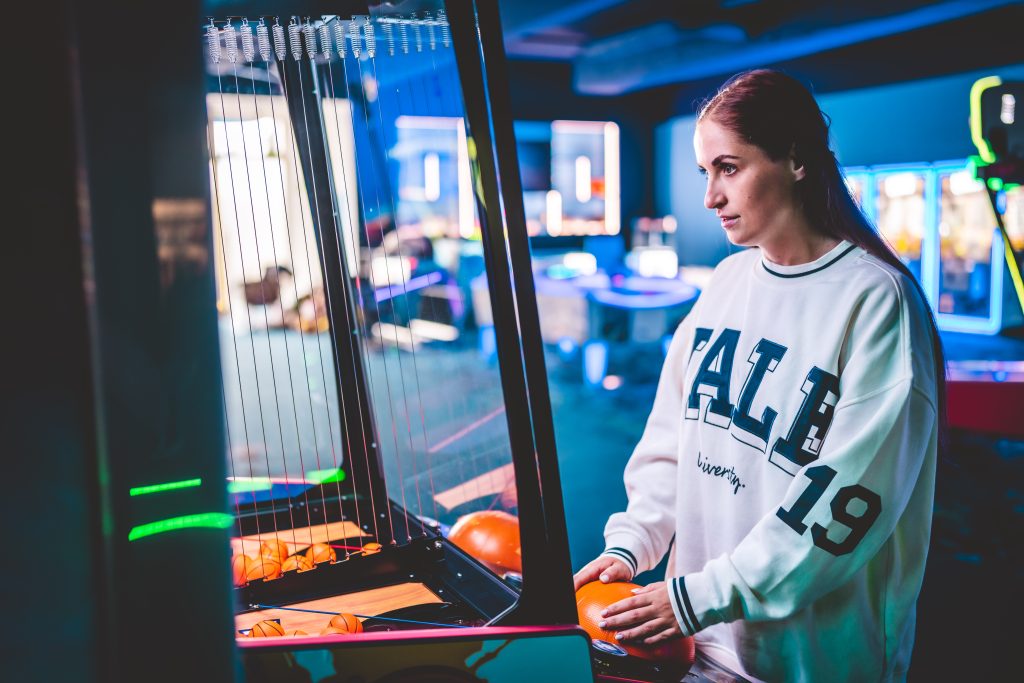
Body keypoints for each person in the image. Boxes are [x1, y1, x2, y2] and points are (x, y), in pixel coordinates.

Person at [573, 69, 945, 682]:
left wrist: (705, 594)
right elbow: (673, 443)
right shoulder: (724, 285)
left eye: (729, 167)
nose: (709, 197)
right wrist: (632, 543)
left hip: (808, 663)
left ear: (796, 160)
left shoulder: (879, 302)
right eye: (705, 172)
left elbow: (843, 506)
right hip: (696, 642)